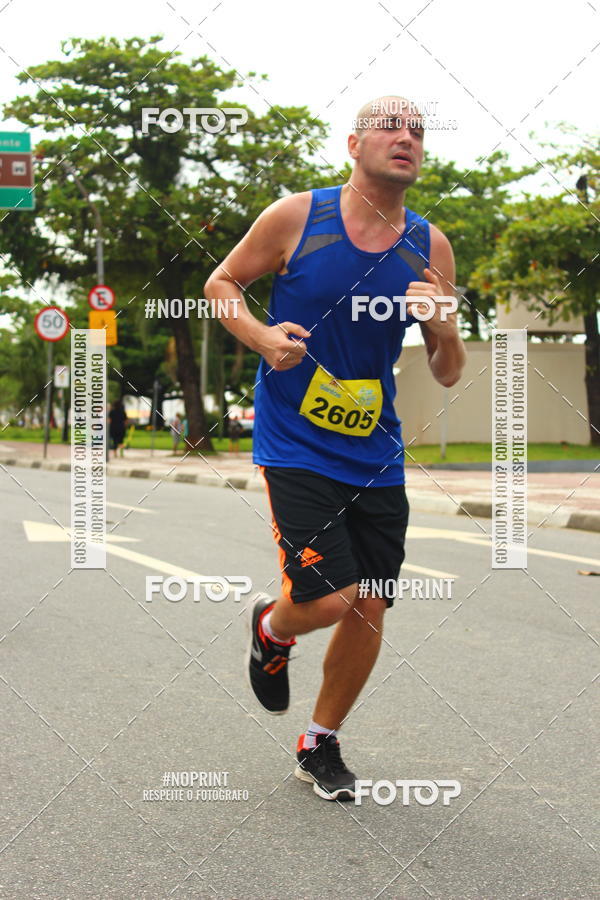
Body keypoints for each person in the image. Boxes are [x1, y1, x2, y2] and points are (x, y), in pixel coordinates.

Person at [205, 95, 466, 801]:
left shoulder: (430, 245)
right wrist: (260, 336)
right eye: (390, 127)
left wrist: (445, 327)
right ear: (353, 144)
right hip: (296, 442)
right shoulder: (298, 217)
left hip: (374, 451)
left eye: (418, 130)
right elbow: (221, 283)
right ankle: (272, 625)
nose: (406, 137)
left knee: (370, 603)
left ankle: (319, 743)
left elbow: (448, 370)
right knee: (329, 599)